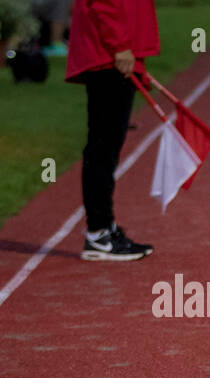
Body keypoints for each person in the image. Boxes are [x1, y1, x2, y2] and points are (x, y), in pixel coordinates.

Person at [65, 0, 158, 261]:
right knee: (103, 147)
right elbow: (102, 3)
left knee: (107, 146)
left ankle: (103, 228)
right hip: (108, 55)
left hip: (114, 53)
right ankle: (99, 232)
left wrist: (136, 59)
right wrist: (120, 47)